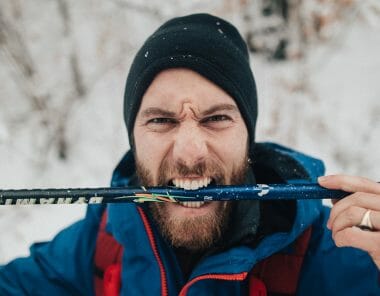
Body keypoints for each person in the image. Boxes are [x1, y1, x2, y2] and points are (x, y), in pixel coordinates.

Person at [0, 13, 379, 296]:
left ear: (248, 136)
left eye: (216, 118)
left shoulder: (337, 252)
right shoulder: (102, 240)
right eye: (161, 120)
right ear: (133, 140)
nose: (190, 153)